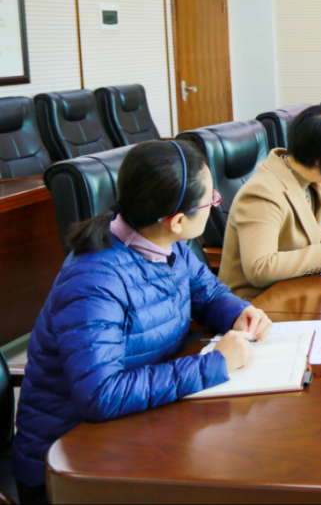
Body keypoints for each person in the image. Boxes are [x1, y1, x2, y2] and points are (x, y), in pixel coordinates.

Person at [13, 141, 272, 504]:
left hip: (141, 425)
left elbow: (208, 293)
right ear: (177, 220)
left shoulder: (168, 242)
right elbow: (101, 395)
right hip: (71, 462)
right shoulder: (94, 281)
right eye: (212, 199)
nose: (217, 201)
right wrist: (212, 365)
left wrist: (238, 312)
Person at [219, 105, 321, 300]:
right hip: (257, 304)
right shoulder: (262, 192)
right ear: (319, 160)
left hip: (295, 291)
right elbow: (260, 268)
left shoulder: (305, 179)